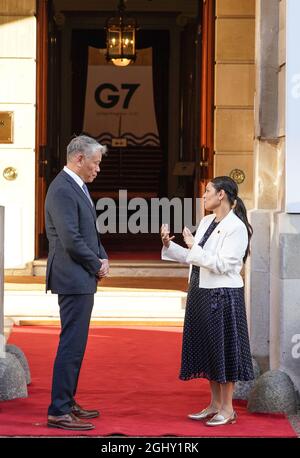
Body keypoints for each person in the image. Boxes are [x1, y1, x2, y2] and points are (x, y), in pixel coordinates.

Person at [161, 176, 254, 426]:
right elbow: (196, 257)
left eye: (208, 191)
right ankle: (214, 404)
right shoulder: (206, 221)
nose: (204, 196)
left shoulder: (237, 227)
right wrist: (171, 246)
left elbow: (226, 265)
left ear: (221, 194)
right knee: (208, 349)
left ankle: (228, 408)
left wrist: (194, 247)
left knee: (223, 350)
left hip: (222, 295)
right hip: (200, 292)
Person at [45, 135, 109, 431]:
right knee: (71, 344)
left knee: (76, 344)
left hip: (79, 276)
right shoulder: (62, 188)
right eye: (95, 163)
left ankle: (67, 401)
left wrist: (103, 256)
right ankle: (58, 410)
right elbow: (71, 239)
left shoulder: (76, 186)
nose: (97, 169)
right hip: (72, 277)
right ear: (79, 159)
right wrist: (96, 264)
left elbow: (89, 232)